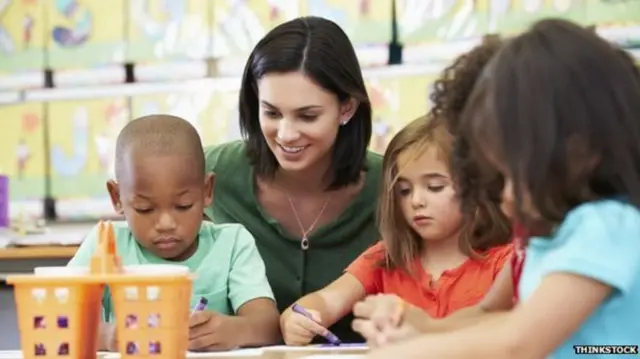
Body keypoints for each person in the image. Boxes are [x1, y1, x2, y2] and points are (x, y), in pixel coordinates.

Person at [355, 19, 640, 359]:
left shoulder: (606, 226)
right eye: (497, 180)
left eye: (513, 178)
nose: (504, 199)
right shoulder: (548, 236)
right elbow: (497, 318)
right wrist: (419, 329)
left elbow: (519, 342)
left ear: (579, 154)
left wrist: (410, 351)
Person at [203, 16, 382, 342]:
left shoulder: (394, 185)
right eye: (271, 112)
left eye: (307, 115)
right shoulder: (210, 172)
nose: (285, 134)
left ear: (347, 109)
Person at [280, 116, 512, 346]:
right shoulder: (385, 258)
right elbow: (328, 300)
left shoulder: (506, 263)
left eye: (434, 187)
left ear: (477, 187)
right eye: (403, 190)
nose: (416, 201)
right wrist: (298, 318)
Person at [68, 115, 280, 352]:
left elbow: (269, 326)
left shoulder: (232, 244)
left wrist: (233, 330)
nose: (166, 223)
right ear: (117, 198)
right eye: (145, 209)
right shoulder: (105, 243)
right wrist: (106, 336)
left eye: (183, 205)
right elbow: (59, 318)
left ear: (206, 191)